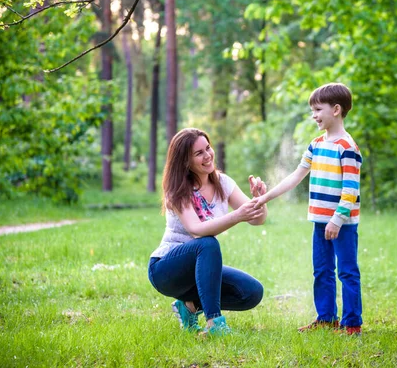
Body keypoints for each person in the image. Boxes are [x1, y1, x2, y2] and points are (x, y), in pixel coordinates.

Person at [254, 83, 363, 336]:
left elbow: (351, 189)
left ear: (336, 110)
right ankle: (326, 318)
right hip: (319, 220)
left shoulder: (347, 147)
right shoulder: (316, 144)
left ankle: (351, 324)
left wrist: (337, 219)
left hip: (342, 224)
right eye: (312, 110)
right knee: (322, 270)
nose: (314, 115)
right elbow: (296, 176)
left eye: (317, 109)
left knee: (347, 272)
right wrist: (266, 197)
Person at [148, 128, 268, 336]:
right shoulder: (178, 190)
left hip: (201, 269)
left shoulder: (223, 183)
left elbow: (258, 219)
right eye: (199, 153)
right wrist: (237, 215)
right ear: (185, 161)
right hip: (166, 270)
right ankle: (214, 323)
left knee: (251, 292)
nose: (208, 155)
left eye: (208, 148)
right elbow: (196, 231)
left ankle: (189, 308)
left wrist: (259, 200)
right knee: (207, 243)